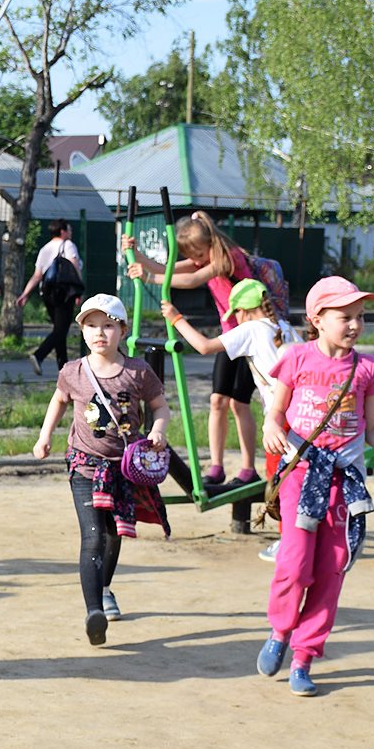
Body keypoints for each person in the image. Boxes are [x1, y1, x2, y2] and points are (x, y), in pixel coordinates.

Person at [257, 276, 374, 696]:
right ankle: (280, 631)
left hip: (345, 483)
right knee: (295, 563)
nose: (355, 324)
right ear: (317, 319)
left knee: (331, 570)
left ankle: (304, 657)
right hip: (301, 475)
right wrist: (270, 428)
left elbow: (373, 431)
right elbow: (275, 413)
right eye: (344, 317)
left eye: (360, 316)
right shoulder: (296, 358)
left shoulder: (369, 369)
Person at [33, 293, 171, 646]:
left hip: (124, 468)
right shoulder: (73, 371)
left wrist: (158, 430)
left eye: (108, 325)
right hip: (84, 464)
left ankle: (105, 588)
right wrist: (44, 436)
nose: (99, 332)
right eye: (91, 326)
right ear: (82, 331)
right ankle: (94, 610)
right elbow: (59, 400)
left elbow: (160, 406)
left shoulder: (138, 371)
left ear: (122, 330)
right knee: (93, 536)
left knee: (113, 533)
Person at [161, 277, 305, 562]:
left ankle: (289, 542)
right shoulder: (286, 328)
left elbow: (204, 346)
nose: (234, 320)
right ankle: (303, 536)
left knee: (280, 482)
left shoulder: (251, 329)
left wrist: (176, 318)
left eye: (234, 314)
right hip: (302, 413)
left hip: (280, 418)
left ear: (243, 310)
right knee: (298, 477)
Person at [124, 210, 258, 491]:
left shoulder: (227, 256)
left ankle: (248, 469)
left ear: (209, 243)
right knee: (217, 400)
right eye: (191, 255)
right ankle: (217, 467)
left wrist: (149, 278)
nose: (195, 260)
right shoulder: (204, 255)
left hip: (250, 335)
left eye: (197, 253)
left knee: (239, 403)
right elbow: (168, 269)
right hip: (229, 336)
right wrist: (136, 254)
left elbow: (193, 279)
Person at [17, 220, 83, 375]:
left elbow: (37, 275)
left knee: (59, 329)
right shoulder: (68, 245)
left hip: (48, 293)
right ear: (62, 231)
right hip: (64, 292)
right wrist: (78, 289)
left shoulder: (44, 249)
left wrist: (25, 293)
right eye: (69, 229)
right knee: (61, 330)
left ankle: (63, 368)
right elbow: (74, 267)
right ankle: (39, 355)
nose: (71, 233)